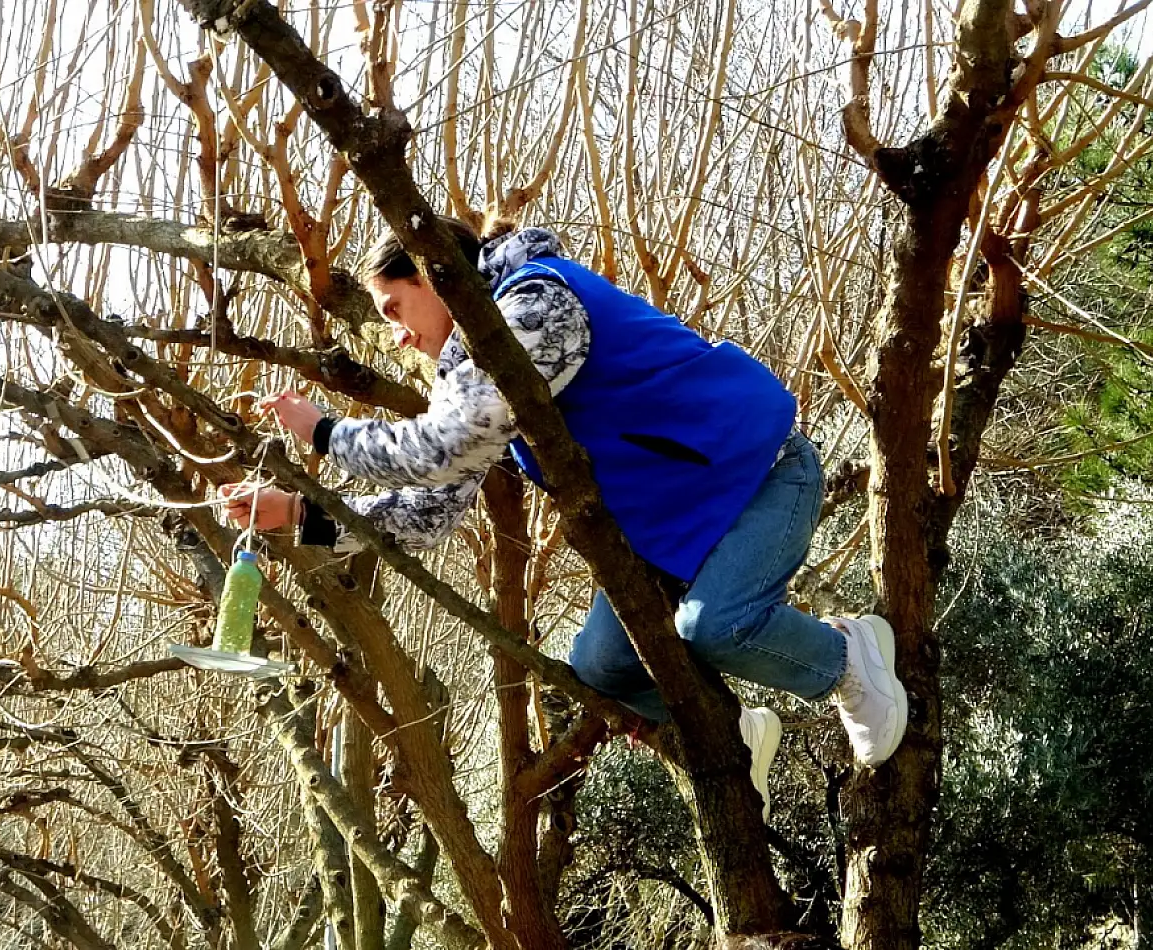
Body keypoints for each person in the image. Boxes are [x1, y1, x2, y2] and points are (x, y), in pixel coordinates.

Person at [222, 217, 905, 815]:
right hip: (672, 530)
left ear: (434, 276)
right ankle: (735, 735)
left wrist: (326, 434)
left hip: (759, 473)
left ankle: (847, 657)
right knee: (603, 666)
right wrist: (298, 514)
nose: (396, 335)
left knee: (714, 627)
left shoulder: (536, 304)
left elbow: (446, 446)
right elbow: (427, 514)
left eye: (395, 308)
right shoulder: (474, 370)